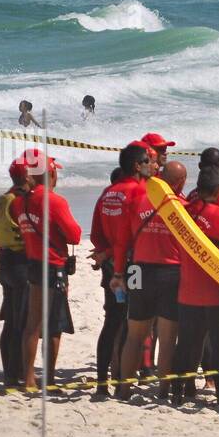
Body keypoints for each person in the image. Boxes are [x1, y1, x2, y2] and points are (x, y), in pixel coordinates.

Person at [9, 150, 81, 392]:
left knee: (32, 324)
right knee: (54, 326)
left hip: (33, 264)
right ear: (48, 173)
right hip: (53, 265)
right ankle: (48, 379)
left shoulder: (19, 202)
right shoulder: (54, 201)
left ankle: (28, 378)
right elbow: (75, 235)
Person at [114, 158, 185, 401]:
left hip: (138, 271)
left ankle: (124, 390)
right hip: (171, 273)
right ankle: (163, 392)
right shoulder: (182, 206)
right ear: (181, 183)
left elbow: (123, 241)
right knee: (167, 339)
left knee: (134, 334)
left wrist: (118, 273)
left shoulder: (136, 201)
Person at [173, 165, 219, 406]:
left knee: (186, 343)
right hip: (217, 292)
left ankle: (178, 389)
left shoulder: (182, 214)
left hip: (187, 290)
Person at [90, 150, 142, 397]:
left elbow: (95, 233)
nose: (151, 165)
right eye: (147, 162)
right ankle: (122, 381)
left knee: (112, 321)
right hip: (132, 266)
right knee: (132, 321)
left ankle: (103, 382)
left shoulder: (108, 192)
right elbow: (132, 236)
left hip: (112, 265)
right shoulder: (137, 192)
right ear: (136, 165)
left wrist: (105, 254)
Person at [0, 159, 30, 387]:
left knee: (11, 321)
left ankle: (9, 373)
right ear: (26, 177)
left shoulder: (2, 199)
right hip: (20, 263)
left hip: (5, 262)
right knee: (21, 322)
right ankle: (19, 372)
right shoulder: (18, 202)